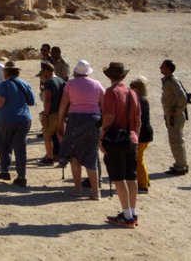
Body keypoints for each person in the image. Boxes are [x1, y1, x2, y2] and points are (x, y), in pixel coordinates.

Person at [101, 62, 142, 228]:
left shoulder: (111, 92)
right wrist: (135, 136)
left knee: (119, 178)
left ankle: (126, 216)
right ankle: (132, 212)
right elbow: (138, 119)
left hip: (115, 139)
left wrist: (102, 137)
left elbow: (109, 117)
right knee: (131, 177)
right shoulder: (132, 92)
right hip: (131, 138)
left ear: (110, 76)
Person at [57, 59, 104, 199]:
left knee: (74, 155)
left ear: (76, 72)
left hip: (75, 120)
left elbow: (63, 105)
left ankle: (78, 189)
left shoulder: (70, 84)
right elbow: (104, 106)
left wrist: (60, 123)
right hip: (94, 120)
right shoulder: (97, 84)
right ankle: (96, 192)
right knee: (91, 155)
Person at [0, 60, 35, 186]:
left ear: (6, 72)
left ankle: (5, 171)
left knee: (3, 145)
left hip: (6, 119)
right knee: (20, 148)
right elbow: (31, 102)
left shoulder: (4, 85)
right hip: (23, 119)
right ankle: (21, 176)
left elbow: (0, 103)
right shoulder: (25, 84)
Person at [159, 59, 190, 175]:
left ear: (168, 68)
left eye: (162, 66)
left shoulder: (172, 81)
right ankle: (181, 164)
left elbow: (183, 97)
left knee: (176, 141)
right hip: (173, 116)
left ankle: (180, 166)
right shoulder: (169, 80)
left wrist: (175, 111)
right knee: (178, 140)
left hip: (175, 117)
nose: (160, 68)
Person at [38, 60, 65, 165]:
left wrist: (45, 115)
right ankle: (64, 157)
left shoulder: (49, 82)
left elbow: (48, 101)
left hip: (52, 113)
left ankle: (49, 157)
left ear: (46, 71)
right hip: (61, 112)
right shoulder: (61, 80)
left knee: (47, 134)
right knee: (60, 134)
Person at [130, 76, 153, 193]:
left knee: (139, 160)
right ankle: (145, 181)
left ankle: (143, 185)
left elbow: (139, 120)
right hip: (145, 133)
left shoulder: (140, 101)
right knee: (140, 158)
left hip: (142, 134)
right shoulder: (143, 100)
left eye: (132, 87)